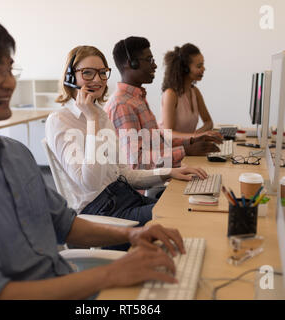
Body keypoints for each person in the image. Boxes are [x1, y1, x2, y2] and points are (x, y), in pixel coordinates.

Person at [0, 13, 187, 300]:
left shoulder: (16, 154)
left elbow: (65, 225)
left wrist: (132, 236)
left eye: (9, 69)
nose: (9, 82)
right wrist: (110, 274)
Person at [46, 45, 209, 227]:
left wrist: (169, 172)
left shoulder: (101, 115)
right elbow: (90, 183)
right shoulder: (60, 120)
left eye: (102, 73)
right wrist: (92, 120)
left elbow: (125, 174)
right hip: (101, 211)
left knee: (189, 207)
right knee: (180, 217)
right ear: (70, 78)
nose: (97, 79)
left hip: (124, 197)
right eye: (87, 73)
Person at [104, 37, 221, 171]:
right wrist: (185, 150)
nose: (154, 65)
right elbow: (137, 163)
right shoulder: (122, 105)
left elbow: (157, 143)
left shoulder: (137, 98)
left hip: (160, 176)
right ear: (132, 63)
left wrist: (191, 141)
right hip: (146, 188)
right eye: (149, 60)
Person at [160, 43, 221, 141]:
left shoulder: (194, 92)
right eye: (199, 66)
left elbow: (208, 122)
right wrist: (195, 136)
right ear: (185, 69)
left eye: (203, 65)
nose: (203, 69)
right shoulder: (170, 94)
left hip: (187, 146)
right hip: (168, 148)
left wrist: (197, 135)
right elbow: (168, 134)